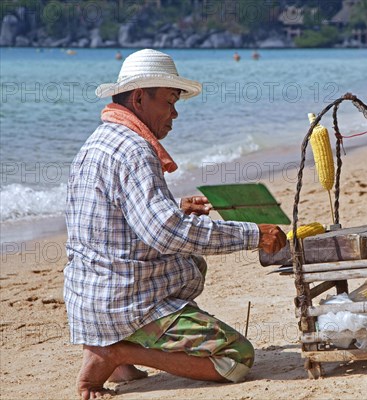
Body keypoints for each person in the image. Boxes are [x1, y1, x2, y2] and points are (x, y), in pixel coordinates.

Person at [64, 49, 287, 399]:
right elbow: (165, 232)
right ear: (139, 98)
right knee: (236, 357)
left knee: (189, 263)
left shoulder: (99, 141)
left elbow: (111, 216)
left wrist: (176, 206)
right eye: (168, 102)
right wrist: (253, 234)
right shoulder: (135, 149)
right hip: (125, 302)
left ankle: (117, 352)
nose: (175, 113)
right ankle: (117, 352)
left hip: (91, 299)